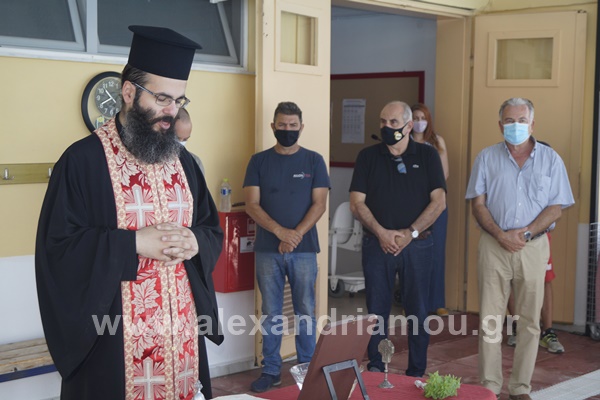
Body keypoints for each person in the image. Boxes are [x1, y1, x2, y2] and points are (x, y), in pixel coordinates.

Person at [36, 26, 224, 400]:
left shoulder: (183, 161)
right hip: (113, 340)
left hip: (181, 336)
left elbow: (210, 229)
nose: (172, 112)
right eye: (162, 98)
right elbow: (58, 249)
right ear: (128, 93)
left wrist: (195, 241)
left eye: (179, 101)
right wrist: (133, 243)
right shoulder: (82, 161)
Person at [465, 97, 574, 400]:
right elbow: (478, 205)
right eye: (510, 121)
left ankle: (520, 388)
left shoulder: (551, 159)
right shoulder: (486, 157)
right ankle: (489, 387)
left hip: (533, 247)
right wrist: (501, 235)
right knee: (490, 319)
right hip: (493, 246)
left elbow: (556, 208)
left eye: (522, 120)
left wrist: (524, 234)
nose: (516, 126)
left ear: (532, 124)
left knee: (529, 322)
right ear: (500, 126)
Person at [349, 100, 446, 377]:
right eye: (383, 122)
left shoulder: (428, 156)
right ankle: (376, 367)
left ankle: (416, 371)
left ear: (409, 125)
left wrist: (410, 233)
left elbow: (439, 202)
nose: (387, 127)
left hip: (418, 244)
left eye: (393, 122)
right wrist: (382, 232)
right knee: (376, 311)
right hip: (376, 244)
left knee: (418, 310)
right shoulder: (368, 157)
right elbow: (356, 202)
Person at [243, 101, 330, 393]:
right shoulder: (258, 161)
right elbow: (252, 204)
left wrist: (295, 235)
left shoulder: (314, 161)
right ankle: (271, 370)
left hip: (304, 250)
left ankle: (307, 368)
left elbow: (320, 203)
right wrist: (280, 232)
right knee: (271, 311)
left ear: (301, 127)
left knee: (305, 309)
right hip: (268, 249)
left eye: (293, 125)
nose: (287, 130)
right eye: (282, 125)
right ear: (273, 126)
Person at [411, 103, 450, 317]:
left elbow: (444, 174)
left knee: (437, 252)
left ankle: (437, 302)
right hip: (413, 206)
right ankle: (416, 303)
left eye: (422, 118)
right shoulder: (405, 142)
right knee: (414, 255)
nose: (419, 122)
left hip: (436, 204)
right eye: (415, 118)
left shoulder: (437, 142)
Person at [506, 232, 565, 353]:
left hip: (538, 236)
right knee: (510, 277)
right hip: (510, 234)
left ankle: (547, 332)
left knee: (545, 278)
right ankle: (518, 328)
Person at [176, 107, 206, 175]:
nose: (181, 144)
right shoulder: (155, 165)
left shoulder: (195, 162)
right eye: (177, 138)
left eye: (185, 139)